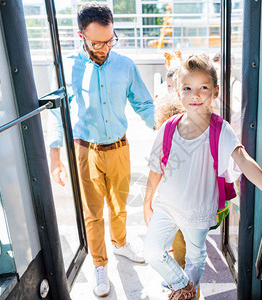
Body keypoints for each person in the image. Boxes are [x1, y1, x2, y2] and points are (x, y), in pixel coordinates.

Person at [143, 54, 262, 299]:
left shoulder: (220, 130)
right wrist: (147, 202)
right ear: (178, 92)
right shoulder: (169, 128)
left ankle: (187, 288)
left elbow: (243, 159)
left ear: (215, 91)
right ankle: (183, 285)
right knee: (152, 252)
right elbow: (156, 168)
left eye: (203, 88)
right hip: (166, 206)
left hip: (198, 210)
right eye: (187, 88)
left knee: (195, 256)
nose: (195, 95)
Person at [47, 3, 155, 297]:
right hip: (85, 151)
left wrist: (168, 129)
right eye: (97, 42)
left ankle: (120, 245)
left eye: (110, 40)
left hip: (119, 148)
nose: (105, 47)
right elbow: (59, 113)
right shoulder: (66, 65)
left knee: (119, 206)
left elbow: (144, 104)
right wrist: (55, 157)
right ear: (80, 35)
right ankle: (99, 264)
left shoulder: (125, 65)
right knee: (92, 213)